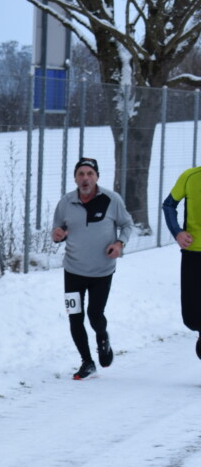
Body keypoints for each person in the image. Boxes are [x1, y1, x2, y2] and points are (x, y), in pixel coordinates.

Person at [50, 157, 133, 380]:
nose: (85, 178)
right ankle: (87, 362)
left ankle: (102, 337)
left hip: (101, 271)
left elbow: (127, 224)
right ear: (75, 178)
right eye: (81, 174)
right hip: (73, 270)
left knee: (95, 315)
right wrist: (57, 235)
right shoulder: (66, 202)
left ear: (97, 177)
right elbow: (57, 229)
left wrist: (119, 244)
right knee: (75, 317)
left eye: (90, 174)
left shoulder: (111, 199)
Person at [162, 165, 201, 358]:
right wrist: (177, 232)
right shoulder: (190, 176)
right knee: (192, 315)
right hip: (193, 253)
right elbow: (169, 205)